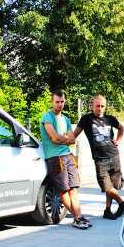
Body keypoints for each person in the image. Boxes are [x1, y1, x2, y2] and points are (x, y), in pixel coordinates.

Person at [40, 90, 90, 229]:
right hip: (55, 158)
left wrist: (63, 139)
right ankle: (78, 218)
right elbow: (54, 138)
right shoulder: (47, 117)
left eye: (62, 102)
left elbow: (72, 139)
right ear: (52, 102)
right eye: (57, 102)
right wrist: (64, 139)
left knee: (73, 189)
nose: (60, 104)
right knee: (64, 190)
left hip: (68, 156)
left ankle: (78, 217)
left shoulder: (66, 119)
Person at [73, 95, 124, 220]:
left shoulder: (110, 119)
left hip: (114, 156)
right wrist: (65, 141)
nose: (100, 108)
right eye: (97, 106)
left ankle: (107, 210)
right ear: (92, 106)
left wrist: (118, 140)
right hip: (100, 159)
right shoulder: (86, 119)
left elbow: (121, 128)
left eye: (102, 106)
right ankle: (122, 202)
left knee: (112, 186)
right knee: (106, 186)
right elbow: (75, 134)